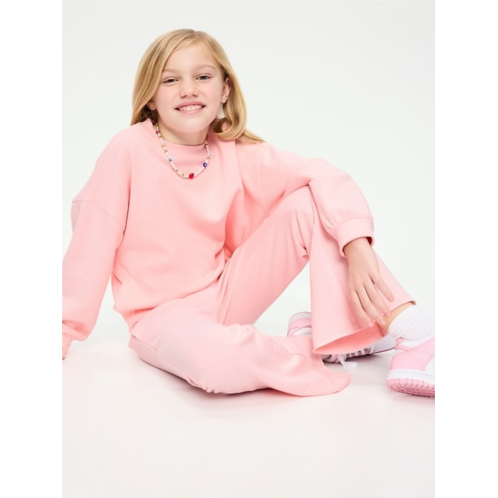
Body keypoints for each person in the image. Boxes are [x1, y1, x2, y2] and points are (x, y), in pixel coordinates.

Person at [62, 28, 435, 398]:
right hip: (162, 317)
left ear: (224, 89)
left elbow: (322, 174)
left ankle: (411, 330)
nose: (188, 89)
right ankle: (332, 335)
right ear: (150, 97)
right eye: (170, 80)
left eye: (202, 77)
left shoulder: (231, 147)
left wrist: (356, 244)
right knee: (218, 364)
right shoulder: (127, 149)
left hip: (229, 291)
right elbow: (92, 241)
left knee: (310, 202)